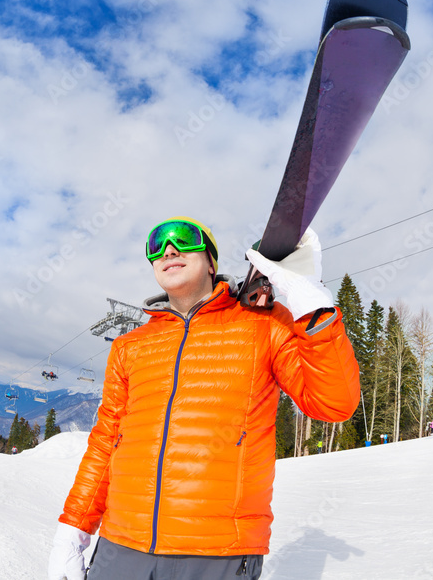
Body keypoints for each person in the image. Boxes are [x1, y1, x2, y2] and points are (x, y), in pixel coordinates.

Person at [47, 217, 360, 580]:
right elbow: (105, 444)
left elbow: (335, 403)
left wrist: (312, 303)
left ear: (211, 261)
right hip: (121, 548)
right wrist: (72, 531)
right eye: (156, 243)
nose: (169, 249)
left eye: (184, 238)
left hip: (217, 553)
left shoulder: (263, 324)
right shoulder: (130, 346)